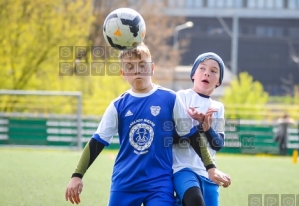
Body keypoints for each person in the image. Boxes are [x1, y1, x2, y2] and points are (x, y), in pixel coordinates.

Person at [64, 43, 228, 206]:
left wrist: (210, 168)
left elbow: (191, 135)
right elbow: (97, 141)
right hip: (125, 183)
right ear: (123, 73)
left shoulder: (170, 99)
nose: (137, 70)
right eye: (130, 66)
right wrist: (77, 175)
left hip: (160, 184)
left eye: (142, 65)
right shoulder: (117, 106)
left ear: (152, 68)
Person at [172, 52, 231, 206]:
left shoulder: (217, 107)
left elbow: (218, 144)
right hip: (183, 169)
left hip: (208, 174)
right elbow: (172, 137)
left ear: (218, 81)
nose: (207, 73)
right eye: (202, 68)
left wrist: (206, 127)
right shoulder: (181, 97)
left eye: (213, 71)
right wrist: (195, 126)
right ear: (193, 75)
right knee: (195, 201)